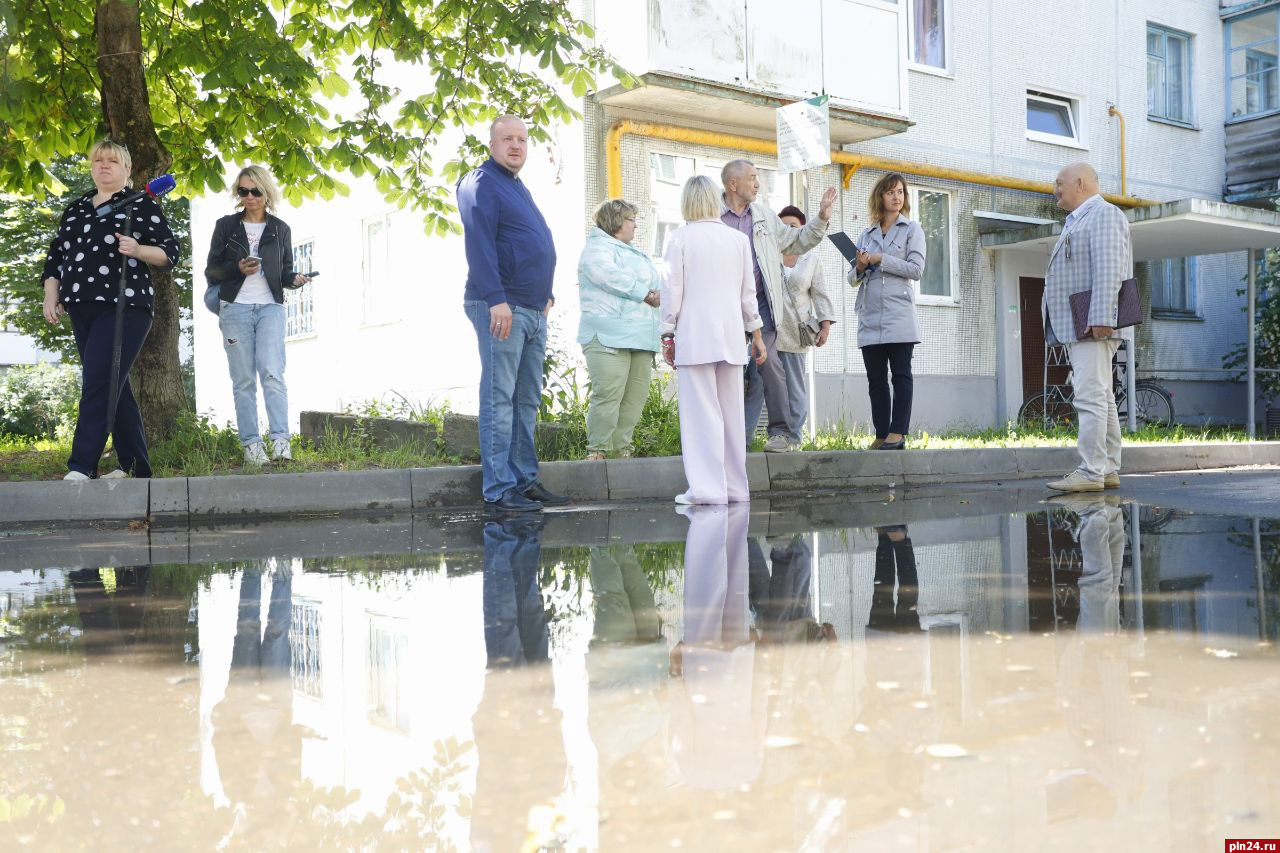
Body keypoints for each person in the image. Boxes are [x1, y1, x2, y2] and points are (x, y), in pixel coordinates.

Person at [41, 140, 181, 481]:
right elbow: (56, 257)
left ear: (127, 170)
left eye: (112, 161)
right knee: (113, 384)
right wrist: (51, 294)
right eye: (98, 160)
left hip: (126, 305)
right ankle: (136, 468)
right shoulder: (75, 209)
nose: (104, 165)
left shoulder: (141, 204)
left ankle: (81, 465)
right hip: (80, 306)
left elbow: (169, 253)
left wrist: (138, 249)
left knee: (99, 381)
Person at [458, 115, 569, 513]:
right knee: (499, 398)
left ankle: (523, 480)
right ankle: (499, 489)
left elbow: (529, 244)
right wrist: (495, 299)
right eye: (507, 139)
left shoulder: (516, 186)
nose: (516, 146)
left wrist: (547, 294)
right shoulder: (482, 182)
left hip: (532, 309)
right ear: (491, 143)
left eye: (522, 139)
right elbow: (480, 243)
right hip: (501, 306)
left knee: (525, 401)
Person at [661, 175, 768, 505]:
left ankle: (707, 491)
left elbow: (671, 292)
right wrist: (757, 335)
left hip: (695, 338)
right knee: (732, 417)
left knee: (700, 417)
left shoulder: (679, 239)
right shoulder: (737, 240)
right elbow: (748, 295)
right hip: (732, 338)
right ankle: (736, 489)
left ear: (687, 202)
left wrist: (667, 333)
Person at [720, 160, 837, 452]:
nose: (758, 184)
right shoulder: (713, 215)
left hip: (762, 308)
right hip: (724, 309)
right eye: (752, 178)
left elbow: (796, 241)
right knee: (728, 371)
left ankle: (782, 434)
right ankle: (728, 439)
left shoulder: (763, 216)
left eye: (758, 177)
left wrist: (821, 218)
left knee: (771, 365)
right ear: (733, 184)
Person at [204, 165, 313, 466]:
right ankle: (252, 445)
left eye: (255, 191)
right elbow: (211, 270)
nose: (249, 197)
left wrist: (295, 279)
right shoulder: (226, 226)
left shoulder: (280, 229)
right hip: (235, 307)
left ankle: (280, 441)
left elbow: (286, 271)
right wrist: (236, 269)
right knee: (243, 381)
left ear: (266, 193)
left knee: (273, 374)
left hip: (270, 308)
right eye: (243, 191)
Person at [1043, 163, 1132, 493]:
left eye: (1059, 182)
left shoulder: (1104, 214)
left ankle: (1091, 470)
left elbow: (1109, 268)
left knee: (1090, 395)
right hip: (1083, 319)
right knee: (1102, 395)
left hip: (1092, 320)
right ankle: (1106, 467)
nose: (1055, 189)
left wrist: (1100, 317)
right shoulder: (1078, 219)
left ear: (1080, 183)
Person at [576, 199, 661, 461]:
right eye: (631, 219)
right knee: (608, 395)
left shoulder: (635, 252)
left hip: (641, 337)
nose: (636, 225)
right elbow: (606, 274)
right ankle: (598, 451)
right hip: (608, 336)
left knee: (634, 399)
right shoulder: (597, 247)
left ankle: (621, 451)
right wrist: (644, 293)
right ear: (615, 221)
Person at [744, 204, 836, 446]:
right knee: (756, 385)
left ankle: (793, 439)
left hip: (796, 332)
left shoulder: (811, 260)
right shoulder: (765, 254)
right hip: (766, 331)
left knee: (794, 389)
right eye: (782, 226)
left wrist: (825, 325)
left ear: (802, 229)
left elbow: (820, 294)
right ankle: (743, 440)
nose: (787, 230)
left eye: (793, 226)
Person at [849, 172, 926, 450]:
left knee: (901, 375)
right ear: (880, 196)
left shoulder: (912, 229)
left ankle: (898, 432)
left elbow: (916, 270)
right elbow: (851, 278)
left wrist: (882, 258)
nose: (897, 197)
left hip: (898, 313)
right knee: (876, 380)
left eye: (901, 192)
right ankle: (882, 433)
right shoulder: (866, 233)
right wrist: (859, 267)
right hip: (870, 315)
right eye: (891, 192)